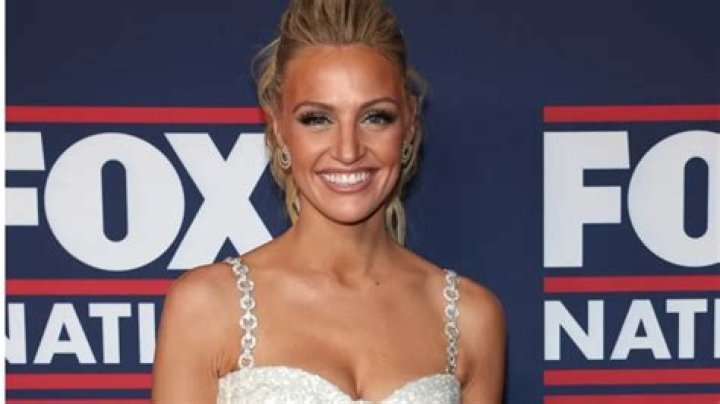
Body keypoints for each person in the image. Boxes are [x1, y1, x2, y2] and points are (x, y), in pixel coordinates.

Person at [151, 0, 505, 402]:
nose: (348, 150)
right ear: (279, 129)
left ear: (409, 126)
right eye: (317, 119)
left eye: (376, 117)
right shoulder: (206, 306)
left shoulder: (471, 318)